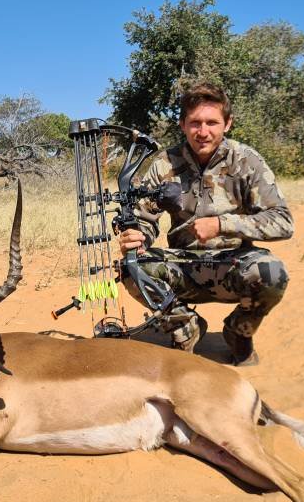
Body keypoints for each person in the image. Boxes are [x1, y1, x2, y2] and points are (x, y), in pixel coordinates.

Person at [118, 83, 293, 366]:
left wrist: (223, 224)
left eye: (212, 122)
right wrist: (136, 237)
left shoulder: (247, 161)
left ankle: (239, 332)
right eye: (195, 123)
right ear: (182, 124)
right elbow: (144, 219)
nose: (203, 132)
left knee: (272, 273)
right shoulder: (164, 164)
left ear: (228, 124)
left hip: (234, 264)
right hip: (183, 266)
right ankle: (185, 328)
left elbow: (283, 221)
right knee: (130, 267)